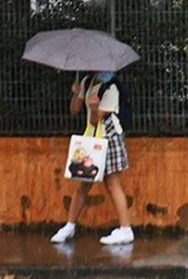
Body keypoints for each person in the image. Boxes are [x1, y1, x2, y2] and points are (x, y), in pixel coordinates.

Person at [50, 71, 134, 245]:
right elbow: (74, 110)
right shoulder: (88, 81)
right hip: (91, 139)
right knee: (82, 184)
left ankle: (126, 230)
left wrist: (95, 107)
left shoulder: (111, 87)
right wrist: (76, 94)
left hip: (109, 138)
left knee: (112, 184)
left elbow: (96, 121)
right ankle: (69, 226)